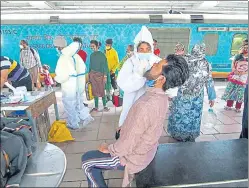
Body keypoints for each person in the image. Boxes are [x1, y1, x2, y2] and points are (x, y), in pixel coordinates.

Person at [81, 54, 189, 188]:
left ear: (161, 78)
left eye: (157, 65)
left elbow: (127, 144)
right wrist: (125, 127)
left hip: (135, 157)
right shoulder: (161, 97)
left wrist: (109, 149)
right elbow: (144, 125)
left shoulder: (147, 104)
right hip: (147, 149)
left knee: (86, 161)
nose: (153, 65)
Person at [167, 43, 216, 142]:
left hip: (182, 94)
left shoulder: (183, 59)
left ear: (193, 49)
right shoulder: (206, 64)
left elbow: (174, 76)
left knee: (179, 113)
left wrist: (170, 91)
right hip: (196, 96)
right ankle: (191, 135)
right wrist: (212, 96)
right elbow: (209, 81)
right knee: (193, 115)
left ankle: (177, 133)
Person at [117, 26, 161, 130]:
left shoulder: (157, 61)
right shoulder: (130, 62)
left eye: (147, 49)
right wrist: (138, 76)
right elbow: (122, 83)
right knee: (130, 123)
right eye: (141, 49)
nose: (144, 52)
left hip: (151, 100)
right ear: (136, 49)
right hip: (132, 100)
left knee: (148, 125)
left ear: (152, 48)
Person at [53, 36, 94, 130]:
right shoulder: (76, 55)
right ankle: (85, 117)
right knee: (79, 101)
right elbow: (83, 69)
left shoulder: (64, 58)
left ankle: (73, 123)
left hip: (69, 84)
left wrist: (56, 79)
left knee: (69, 103)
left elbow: (61, 75)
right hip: (79, 83)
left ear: (59, 47)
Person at [89, 40, 110, 112]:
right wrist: (89, 75)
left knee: (102, 91)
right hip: (93, 76)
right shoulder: (91, 55)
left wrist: (105, 76)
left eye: (93, 46)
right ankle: (96, 107)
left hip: (101, 76)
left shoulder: (102, 55)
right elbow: (90, 66)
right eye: (91, 46)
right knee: (95, 91)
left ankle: (105, 106)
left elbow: (105, 66)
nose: (92, 48)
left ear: (97, 46)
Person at [73, 37, 89, 107]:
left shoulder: (83, 53)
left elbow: (82, 64)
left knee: (80, 90)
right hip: (73, 74)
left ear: (81, 44)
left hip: (80, 75)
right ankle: (77, 104)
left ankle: (80, 103)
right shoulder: (71, 53)